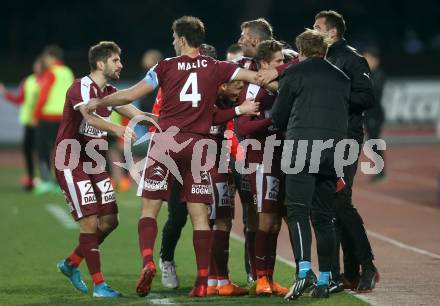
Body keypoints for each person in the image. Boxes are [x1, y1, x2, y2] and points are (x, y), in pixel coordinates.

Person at [84, 16, 261, 297]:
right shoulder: (217, 67)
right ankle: (203, 283)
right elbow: (255, 77)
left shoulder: (164, 66)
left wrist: (101, 101)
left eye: (173, 37)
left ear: (180, 39)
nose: (172, 41)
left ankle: (148, 261)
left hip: (166, 143)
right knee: (200, 217)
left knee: (150, 209)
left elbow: (130, 94)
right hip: (198, 146)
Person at [54, 41, 155, 298]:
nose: (120, 64)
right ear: (101, 63)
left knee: (110, 221)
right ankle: (99, 286)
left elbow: (129, 110)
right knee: (89, 221)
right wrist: (118, 129)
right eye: (116, 60)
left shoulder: (109, 90)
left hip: (94, 163)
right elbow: (89, 116)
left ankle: (71, 263)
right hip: (72, 161)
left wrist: (153, 119)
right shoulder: (80, 87)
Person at [272, 29, 350, 299]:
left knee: (297, 211)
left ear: (301, 51)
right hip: (333, 152)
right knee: (324, 217)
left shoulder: (293, 73)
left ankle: (304, 271)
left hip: (301, 149)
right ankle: (326, 279)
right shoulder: (342, 77)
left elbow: (279, 117)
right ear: (325, 50)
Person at [313, 10, 379, 292]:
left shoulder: (351, 58)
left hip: (346, 139)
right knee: (332, 206)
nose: (312, 30)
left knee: (340, 202)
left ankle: (368, 266)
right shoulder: (320, 59)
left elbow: (366, 97)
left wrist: (333, 96)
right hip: (324, 139)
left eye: (317, 27)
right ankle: (347, 272)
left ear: (332, 32)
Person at [237, 39, 289, 297]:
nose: (283, 65)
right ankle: (259, 278)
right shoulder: (254, 90)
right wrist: (274, 125)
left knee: (276, 223)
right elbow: (242, 127)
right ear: (265, 63)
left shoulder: (279, 85)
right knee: (265, 220)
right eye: (278, 61)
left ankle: (269, 276)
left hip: (280, 157)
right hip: (260, 158)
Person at [33, 45, 75, 195]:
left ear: (51, 57)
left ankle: (45, 182)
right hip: (64, 117)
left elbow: (43, 95)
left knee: (43, 150)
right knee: (60, 151)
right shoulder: (68, 72)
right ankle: (61, 184)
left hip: (47, 117)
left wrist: (35, 115)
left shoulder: (51, 73)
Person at [0, 56, 43, 190]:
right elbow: (19, 99)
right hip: (29, 122)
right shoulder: (28, 81)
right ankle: (31, 179)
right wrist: (5, 93)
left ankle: (47, 180)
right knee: (27, 150)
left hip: (42, 121)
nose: (37, 66)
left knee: (44, 152)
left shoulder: (47, 80)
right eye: (37, 64)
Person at [363, 47, 386, 182]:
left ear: (375, 60)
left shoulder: (378, 75)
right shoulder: (368, 74)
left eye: (368, 59)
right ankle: (379, 170)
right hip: (369, 113)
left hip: (375, 114)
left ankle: (381, 171)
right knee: (372, 141)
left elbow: (374, 94)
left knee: (374, 141)